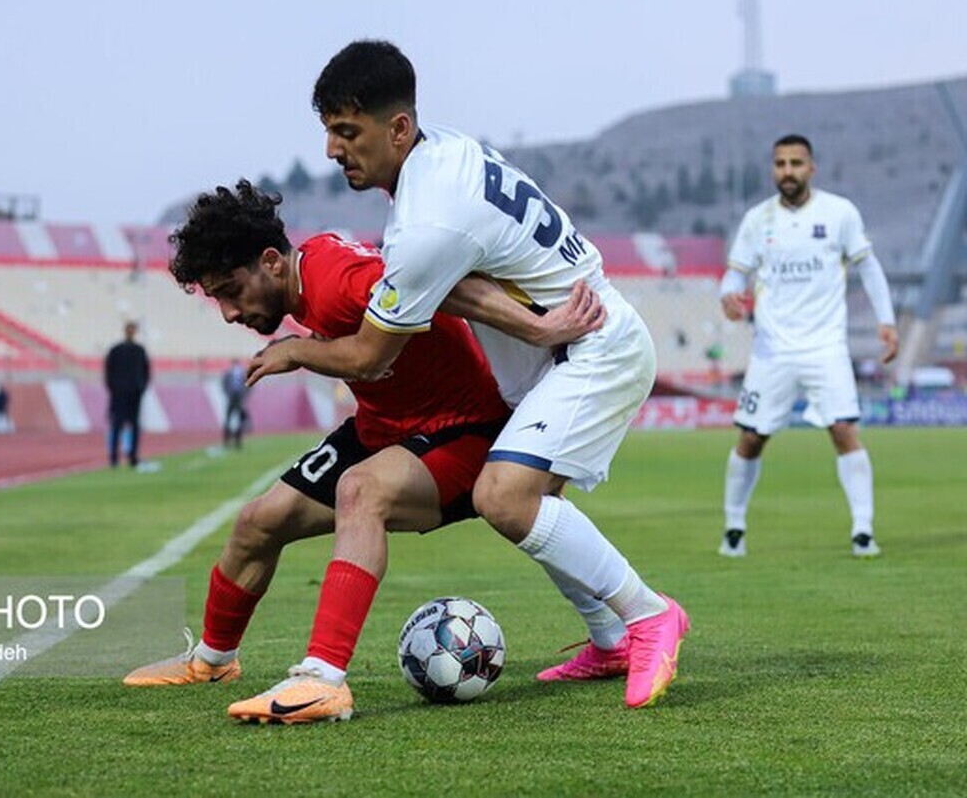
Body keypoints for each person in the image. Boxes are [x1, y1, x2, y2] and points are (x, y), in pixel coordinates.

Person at [240, 40, 689, 716]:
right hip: (561, 345)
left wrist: (298, 352)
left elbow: (369, 357)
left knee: (504, 497)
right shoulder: (443, 154)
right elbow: (457, 278)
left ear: (397, 128)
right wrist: (533, 328)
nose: (333, 150)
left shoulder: (425, 218)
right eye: (329, 131)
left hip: (594, 346)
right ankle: (609, 638)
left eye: (346, 132)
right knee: (540, 504)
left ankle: (649, 615)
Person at [123, 181, 605, 724]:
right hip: (384, 427)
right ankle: (211, 661)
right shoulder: (311, 284)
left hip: (463, 430)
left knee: (362, 492)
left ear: (271, 262)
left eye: (232, 290)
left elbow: (444, 288)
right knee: (260, 521)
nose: (230, 312)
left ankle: (323, 679)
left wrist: (541, 328)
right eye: (218, 299)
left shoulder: (337, 279)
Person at [718, 134, 898, 559]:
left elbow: (869, 269)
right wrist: (728, 294)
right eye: (780, 164)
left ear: (811, 168)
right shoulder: (757, 219)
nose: (788, 171)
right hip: (772, 350)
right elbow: (734, 274)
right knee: (751, 439)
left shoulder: (839, 214)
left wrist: (886, 321)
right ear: (773, 169)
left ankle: (863, 530)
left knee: (843, 430)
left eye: (796, 163)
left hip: (825, 347)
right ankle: (734, 529)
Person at [104, 321, 151, 468]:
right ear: (125, 331)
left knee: (134, 425)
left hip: (134, 393)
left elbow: (146, 371)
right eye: (129, 329)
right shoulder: (115, 350)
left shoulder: (140, 350)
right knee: (117, 424)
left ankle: (133, 456)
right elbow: (108, 372)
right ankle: (113, 458)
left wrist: (141, 388)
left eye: (133, 329)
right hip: (118, 393)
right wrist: (113, 388)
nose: (131, 332)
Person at [221, 359, 249, 449]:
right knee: (228, 419)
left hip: (239, 399)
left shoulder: (242, 374)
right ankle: (227, 441)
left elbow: (248, 385)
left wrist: (244, 395)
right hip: (231, 398)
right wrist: (228, 394)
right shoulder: (228, 374)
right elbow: (224, 384)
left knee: (239, 420)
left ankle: (238, 442)